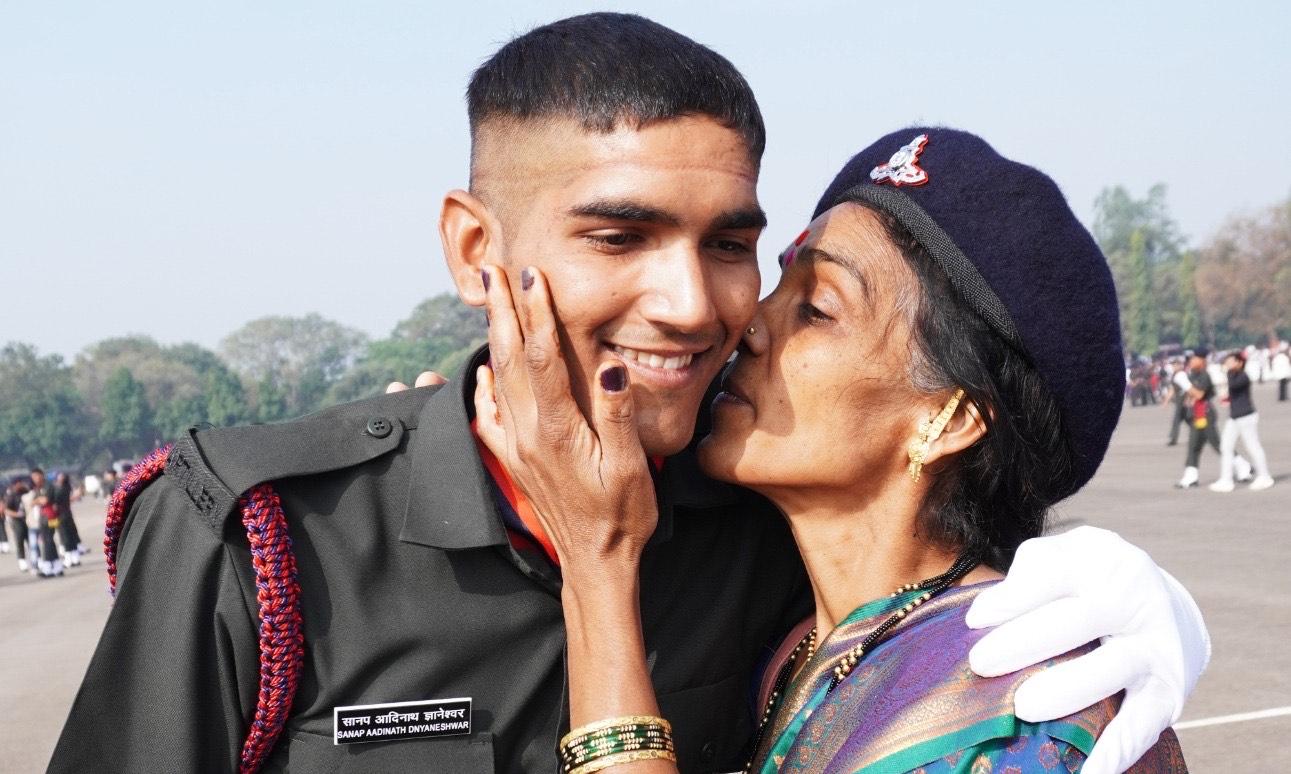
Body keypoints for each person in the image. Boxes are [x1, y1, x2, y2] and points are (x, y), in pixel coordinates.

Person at [53, 15, 1205, 774]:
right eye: (618, 237)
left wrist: (1112, 594)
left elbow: (933, 560)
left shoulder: (753, 522)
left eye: (730, 245)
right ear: (475, 250)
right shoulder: (270, 534)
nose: (699, 307)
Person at [468, 128, 1188, 773]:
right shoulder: (800, 649)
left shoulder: (1019, 719)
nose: (748, 323)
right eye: (778, 282)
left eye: (816, 309)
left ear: (949, 418)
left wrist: (597, 566)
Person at [1175, 349, 1251, 489]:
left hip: (1205, 414)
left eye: (1194, 359)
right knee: (1193, 446)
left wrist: (1185, 384)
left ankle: (1242, 465)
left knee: (1218, 444)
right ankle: (1191, 476)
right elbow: (1188, 396)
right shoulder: (1192, 375)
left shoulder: (1205, 375)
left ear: (1202, 360)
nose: (1191, 361)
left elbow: (1199, 395)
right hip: (1196, 415)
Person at [1209, 351, 1275, 492]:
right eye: (1227, 361)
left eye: (1231, 361)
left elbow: (1233, 386)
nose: (1227, 364)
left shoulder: (1243, 376)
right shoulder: (1231, 374)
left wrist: (1226, 373)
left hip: (1246, 416)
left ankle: (1265, 476)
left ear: (1240, 363)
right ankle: (1226, 480)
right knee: (1225, 446)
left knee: (1253, 446)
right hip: (1234, 417)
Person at [28, 467, 64, 578]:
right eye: (33, 477)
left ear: (41, 475)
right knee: (48, 540)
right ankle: (57, 566)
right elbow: (32, 502)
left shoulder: (48, 486)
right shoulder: (38, 488)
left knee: (47, 540)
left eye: (36, 476)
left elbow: (45, 500)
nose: (35, 479)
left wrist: (38, 500)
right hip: (43, 518)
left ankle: (48, 567)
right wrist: (39, 500)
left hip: (51, 517)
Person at [52, 471, 86, 565]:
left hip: (61, 515)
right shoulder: (65, 488)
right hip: (66, 514)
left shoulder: (60, 489)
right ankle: (74, 557)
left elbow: (56, 503)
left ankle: (69, 558)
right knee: (69, 535)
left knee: (65, 536)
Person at [3, 480, 30, 573]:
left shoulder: (26, 492)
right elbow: (6, 510)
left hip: (28, 519)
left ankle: (35, 559)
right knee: (19, 541)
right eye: (18, 483)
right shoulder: (11, 496)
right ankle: (22, 561)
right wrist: (17, 514)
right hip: (17, 521)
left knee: (30, 540)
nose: (20, 485)